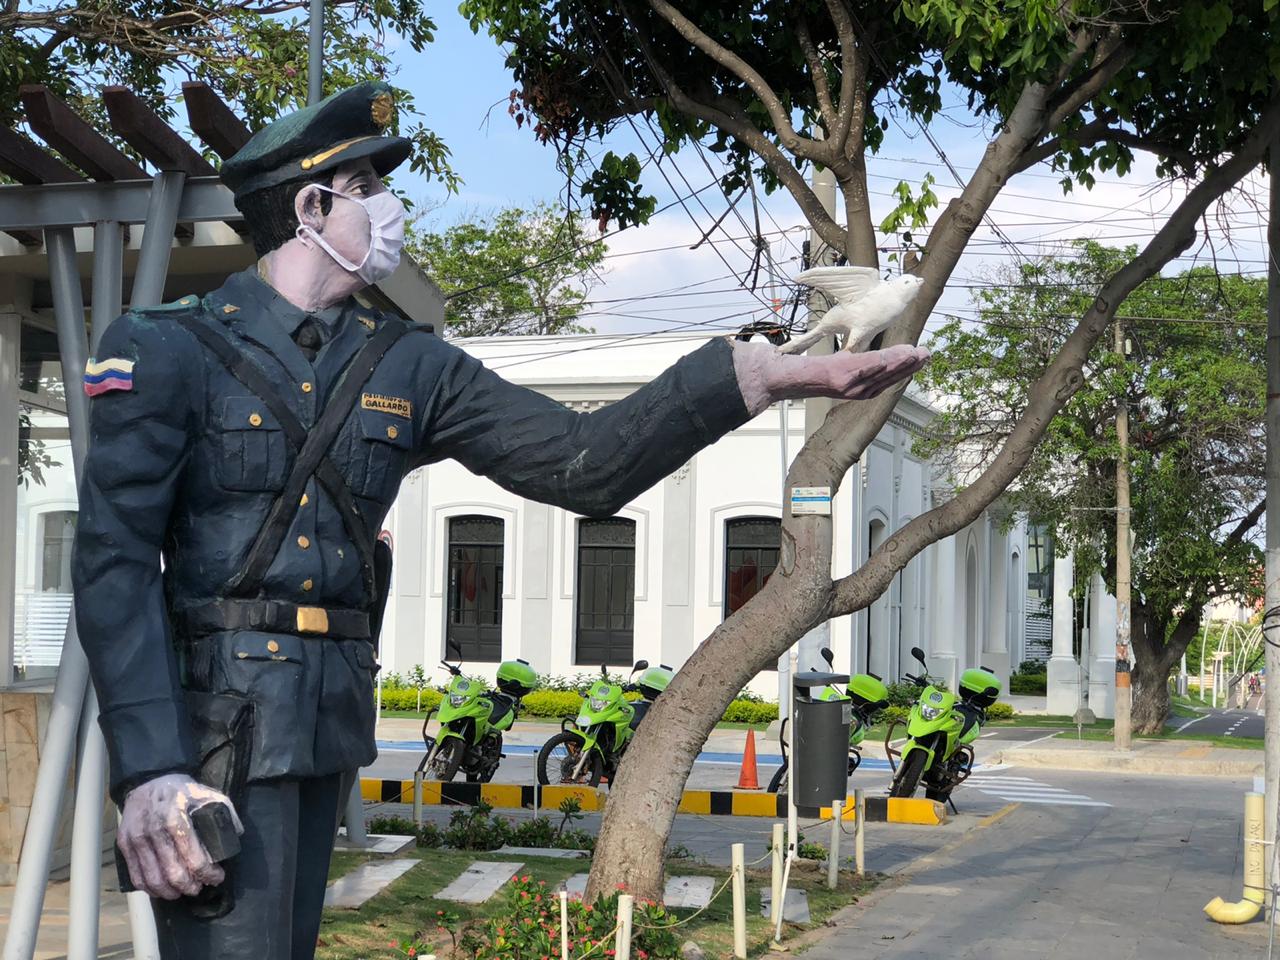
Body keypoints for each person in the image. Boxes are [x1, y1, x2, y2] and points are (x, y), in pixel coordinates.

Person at [72, 81, 929, 960]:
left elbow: (582, 462)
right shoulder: (168, 348)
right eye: (366, 186)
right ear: (311, 206)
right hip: (213, 736)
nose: (388, 207)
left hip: (322, 724)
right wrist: (151, 768)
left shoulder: (405, 362)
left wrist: (763, 377)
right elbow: (115, 563)